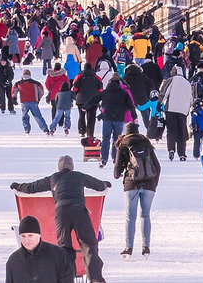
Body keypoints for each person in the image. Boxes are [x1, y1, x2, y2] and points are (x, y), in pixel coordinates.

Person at [12, 156, 110, 283]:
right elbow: (97, 185)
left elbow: (33, 187)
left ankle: (67, 279)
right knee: (89, 244)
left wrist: (19, 186)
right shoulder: (79, 176)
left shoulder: (53, 178)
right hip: (79, 211)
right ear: (72, 167)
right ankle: (96, 278)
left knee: (64, 247)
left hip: (62, 213)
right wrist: (105, 184)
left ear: (59, 167)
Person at [113, 122, 160, 258]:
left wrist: (119, 174)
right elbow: (157, 166)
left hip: (131, 185)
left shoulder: (123, 145)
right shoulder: (146, 143)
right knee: (145, 216)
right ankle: (146, 247)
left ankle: (128, 248)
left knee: (130, 217)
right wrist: (154, 185)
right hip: (149, 184)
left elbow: (117, 171)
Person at [84, 72, 138, 167]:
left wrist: (85, 106)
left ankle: (104, 159)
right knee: (116, 139)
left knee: (106, 138)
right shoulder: (123, 93)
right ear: (119, 82)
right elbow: (131, 106)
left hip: (107, 118)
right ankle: (115, 158)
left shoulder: (106, 92)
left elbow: (94, 99)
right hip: (119, 118)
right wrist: (135, 117)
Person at [5, 215, 74, 283]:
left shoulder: (57, 255)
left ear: (39, 235)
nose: (26, 240)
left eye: (30, 235)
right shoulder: (13, 261)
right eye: (23, 236)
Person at [158, 65, 192, 161]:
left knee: (171, 130)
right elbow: (191, 98)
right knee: (182, 131)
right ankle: (182, 153)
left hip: (171, 109)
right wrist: (188, 108)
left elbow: (164, 92)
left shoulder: (171, 80)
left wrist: (160, 103)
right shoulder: (187, 82)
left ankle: (171, 149)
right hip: (183, 110)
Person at [12, 69, 51, 136]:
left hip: (24, 102)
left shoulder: (18, 83)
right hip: (33, 101)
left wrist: (14, 98)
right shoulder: (35, 83)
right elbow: (41, 90)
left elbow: (14, 90)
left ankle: (27, 130)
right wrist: (38, 98)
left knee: (24, 116)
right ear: (30, 75)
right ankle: (45, 130)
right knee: (38, 116)